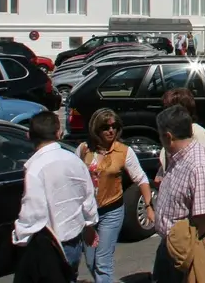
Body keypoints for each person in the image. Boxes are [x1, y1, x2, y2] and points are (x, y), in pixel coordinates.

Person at [13, 111, 99, 282]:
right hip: (73, 242)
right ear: (59, 133)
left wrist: (19, 238)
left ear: (28, 135)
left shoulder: (35, 168)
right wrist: (90, 225)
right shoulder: (74, 160)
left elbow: (33, 211)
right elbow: (88, 196)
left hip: (50, 248)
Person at [77, 109, 154, 283]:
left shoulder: (123, 151)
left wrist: (149, 206)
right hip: (88, 214)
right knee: (91, 261)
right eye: (105, 127)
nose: (111, 130)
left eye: (114, 126)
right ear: (96, 129)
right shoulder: (83, 149)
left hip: (112, 211)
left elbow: (141, 178)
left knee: (102, 261)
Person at [152, 105, 205, 283]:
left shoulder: (199, 165)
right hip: (170, 244)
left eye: (160, 136)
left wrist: (182, 245)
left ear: (168, 136)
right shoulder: (178, 156)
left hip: (185, 248)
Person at [156, 88, 205, 182]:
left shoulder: (196, 132)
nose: (165, 112)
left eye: (168, 108)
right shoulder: (172, 132)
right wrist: (161, 173)